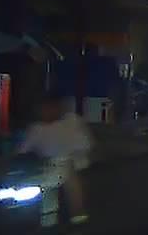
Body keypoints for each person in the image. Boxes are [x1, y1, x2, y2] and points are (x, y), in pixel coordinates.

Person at [18, 95, 94, 225]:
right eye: (42, 109)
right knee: (46, 184)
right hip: (48, 167)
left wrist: (71, 155)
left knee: (68, 171)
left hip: (73, 164)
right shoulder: (36, 128)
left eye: (49, 108)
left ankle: (77, 214)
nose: (45, 112)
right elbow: (22, 151)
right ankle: (48, 220)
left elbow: (86, 145)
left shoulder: (72, 121)